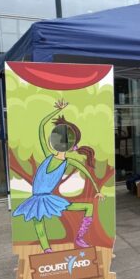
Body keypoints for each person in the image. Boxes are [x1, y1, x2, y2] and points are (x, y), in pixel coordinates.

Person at [12, 99, 105, 253]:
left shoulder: (68, 162)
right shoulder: (48, 155)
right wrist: (57, 110)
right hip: (37, 197)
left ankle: (79, 237)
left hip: (48, 198)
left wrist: (97, 190)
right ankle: (46, 249)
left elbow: (88, 172)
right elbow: (41, 126)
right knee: (38, 222)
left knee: (87, 207)